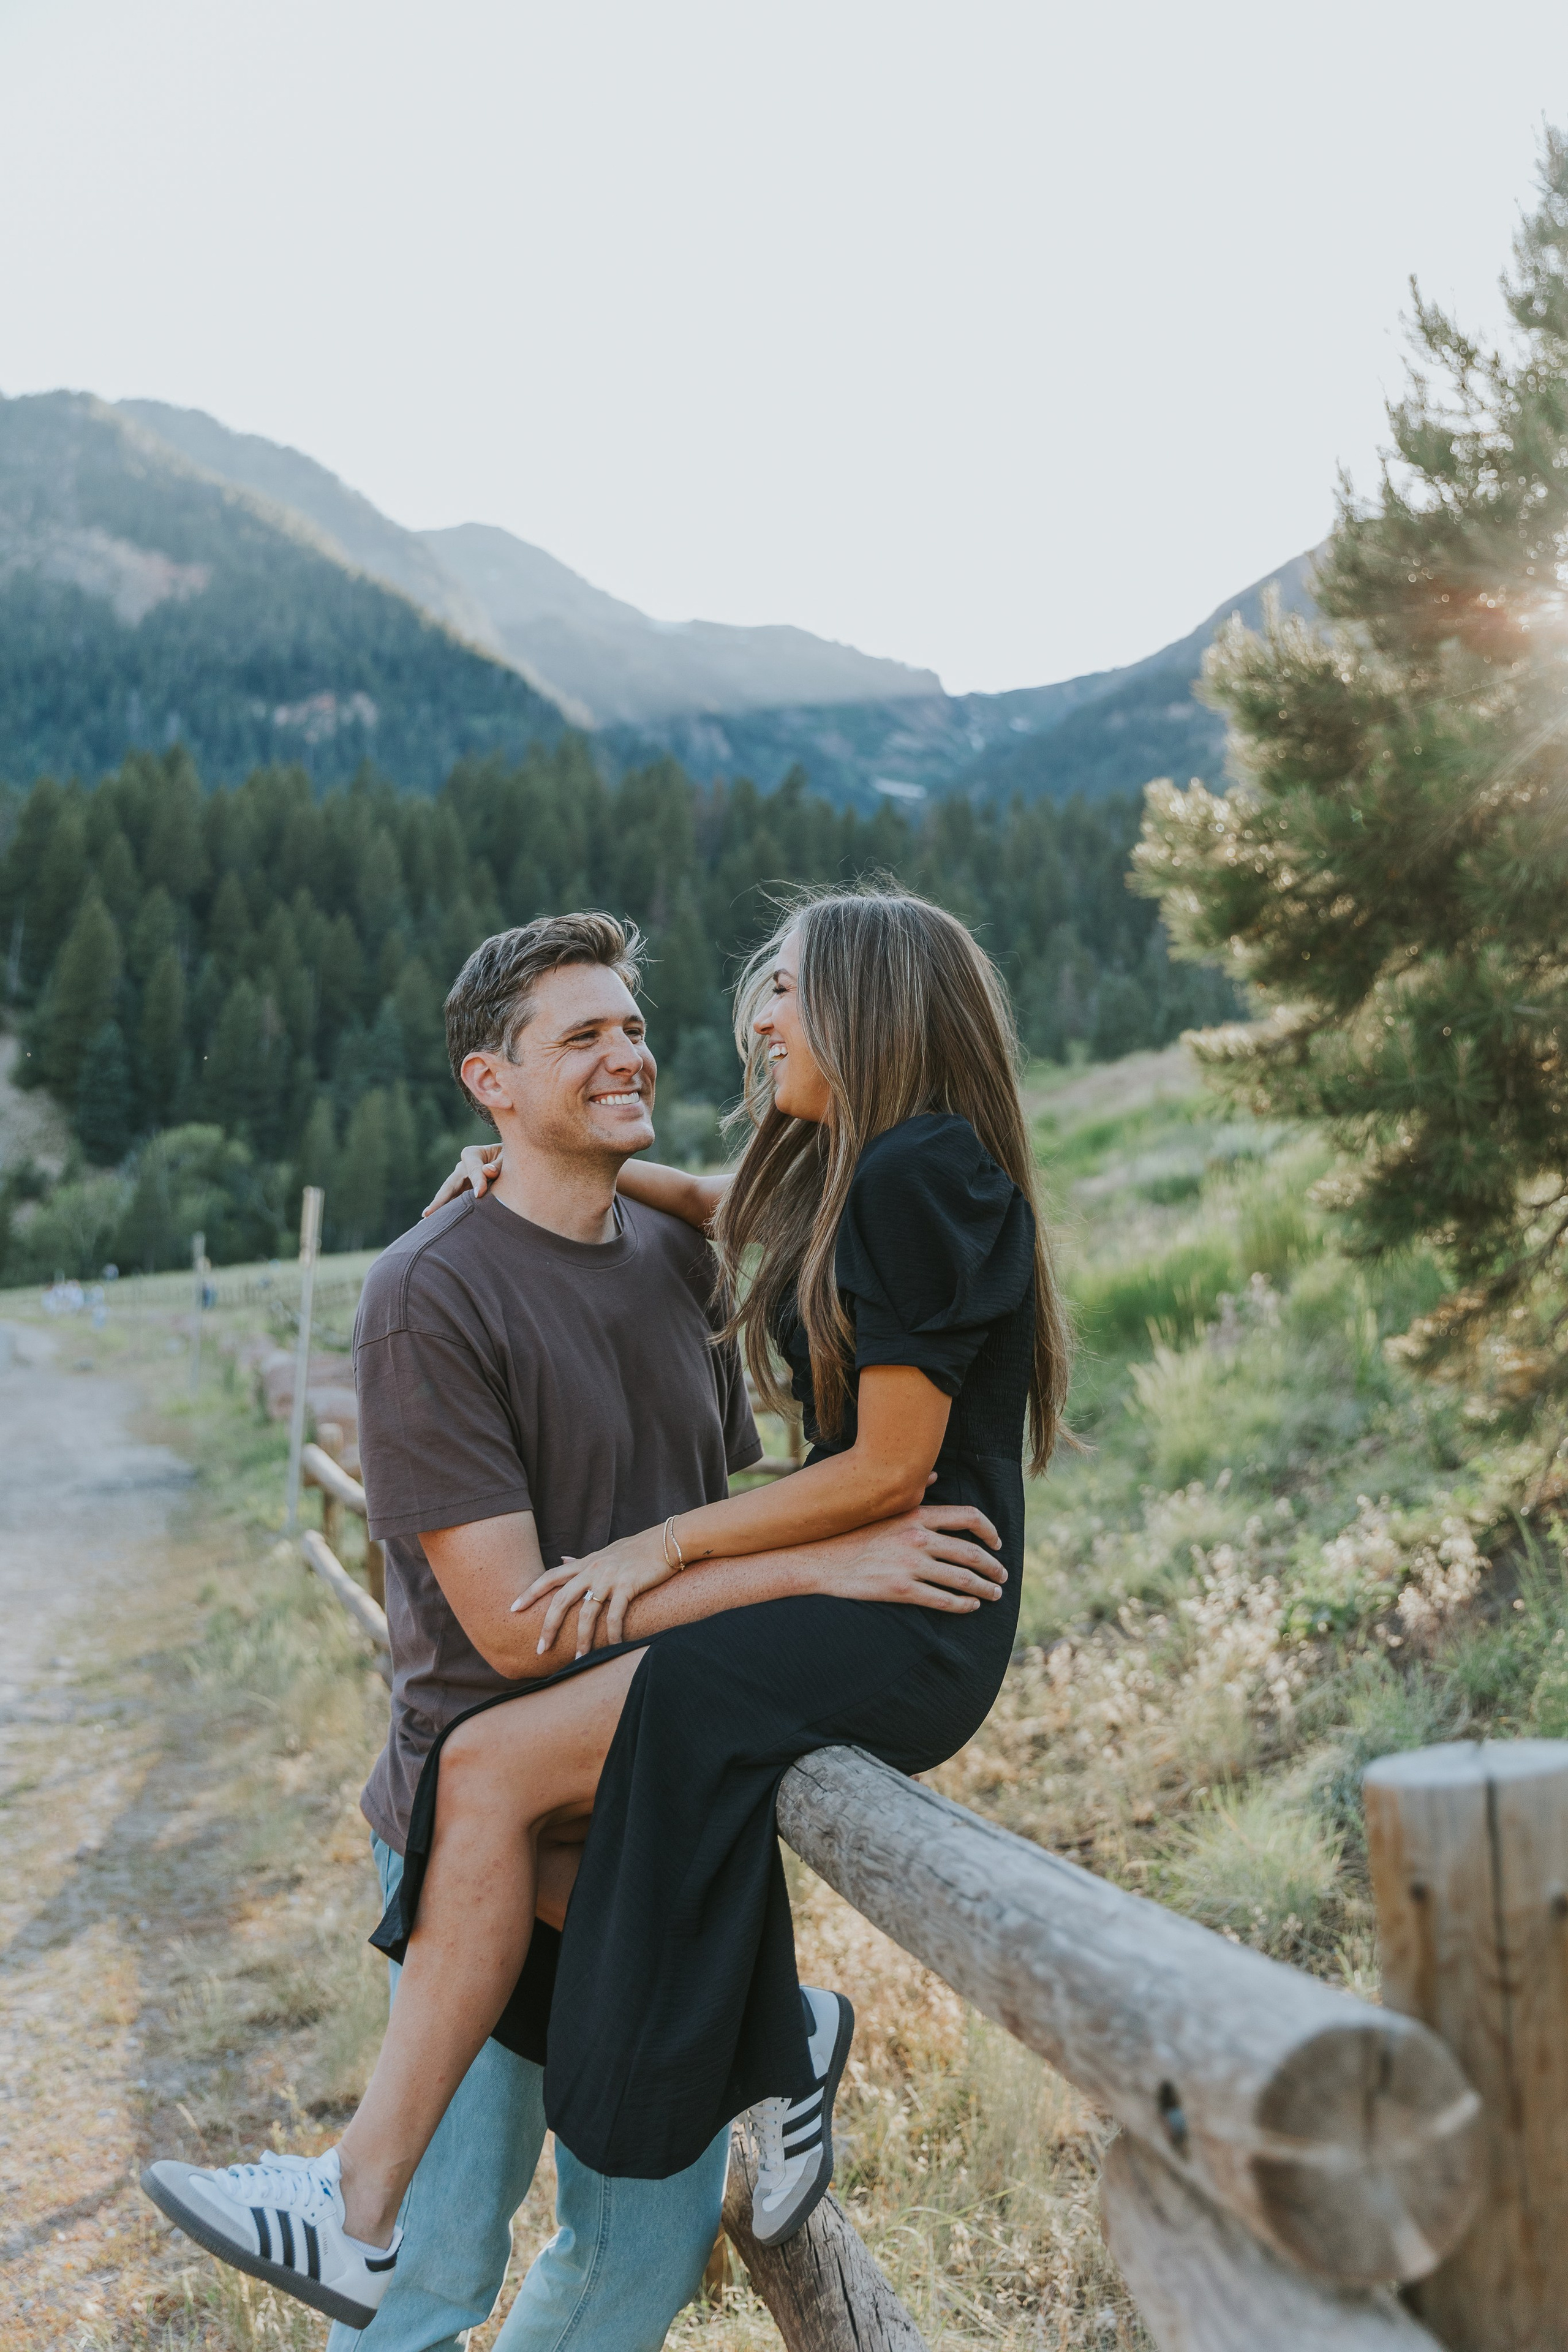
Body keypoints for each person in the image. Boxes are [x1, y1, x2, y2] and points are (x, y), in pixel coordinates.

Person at [141, 908, 1013, 2345]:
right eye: (581, 1036)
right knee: (430, 2273)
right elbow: (522, 1631)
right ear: (490, 1084)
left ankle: (779, 2027)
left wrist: (820, 1551)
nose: (632, 1052)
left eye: (630, 1026)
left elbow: (736, 1470)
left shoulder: (681, 1264)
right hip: (493, 1831)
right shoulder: (430, 1291)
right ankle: (771, 2032)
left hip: (654, 1806)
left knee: (634, 2261)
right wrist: (823, 1566)